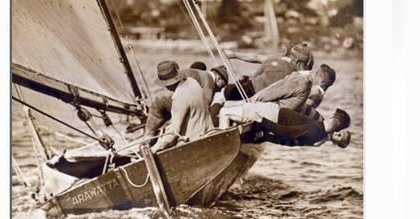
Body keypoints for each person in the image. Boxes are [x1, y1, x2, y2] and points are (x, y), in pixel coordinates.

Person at [220, 101, 351, 148]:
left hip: (272, 116)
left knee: (225, 111)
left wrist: (262, 121)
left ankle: (220, 145)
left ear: (334, 119)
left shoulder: (316, 131)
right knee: (231, 110)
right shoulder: (319, 128)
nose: (336, 134)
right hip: (275, 114)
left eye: (339, 136)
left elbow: (288, 133)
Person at [150, 60, 213, 153]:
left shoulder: (179, 98)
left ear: (167, 84)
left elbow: (173, 133)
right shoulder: (192, 82)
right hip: (208, 133)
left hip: (194, 142)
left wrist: (153, 149)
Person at [223, 42, 314, 101]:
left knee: (223, 94)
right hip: (261, 96)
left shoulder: (275, 59)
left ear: (286, 52)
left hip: (249, 91)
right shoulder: (297, 74)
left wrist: (233, 54)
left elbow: (255, 57)